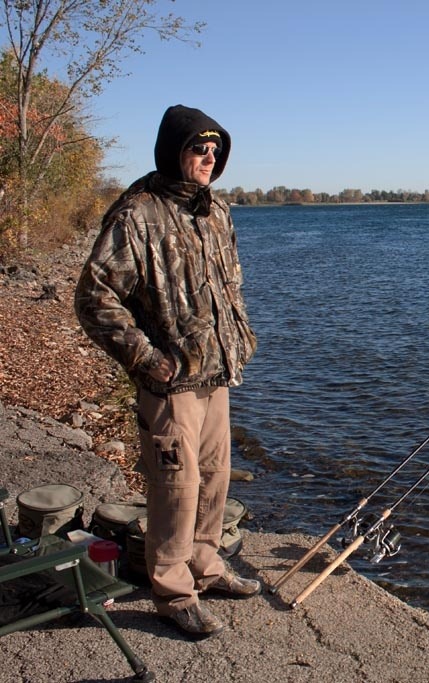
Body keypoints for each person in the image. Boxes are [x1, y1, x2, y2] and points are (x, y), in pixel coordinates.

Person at [75, 104, 260, 638]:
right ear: (173, 151)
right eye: (197, 149)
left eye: (214, 150)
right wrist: (147, 358)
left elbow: (232, 286)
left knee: (214, 479)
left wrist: (238, 338)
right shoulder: (137, 213)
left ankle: (206, 567)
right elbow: (94, 298)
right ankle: (173, 591)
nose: (208, 158)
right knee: (175, 484)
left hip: (216, 373)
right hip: (168, 379)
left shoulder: (216, 212)